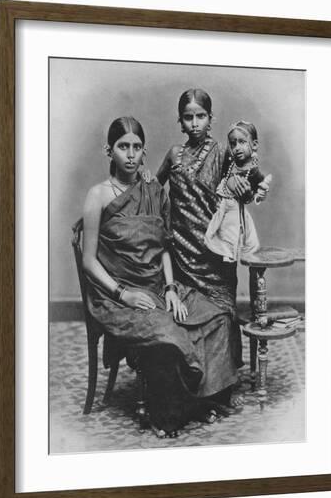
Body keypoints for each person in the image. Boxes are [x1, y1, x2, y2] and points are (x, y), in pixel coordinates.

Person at [82, 116, 241, 437]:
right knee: (168, 335)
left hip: (159, 285)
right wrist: (122, 294)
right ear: (108, 151)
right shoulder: (97, 196)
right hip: (119, 295)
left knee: (218, 317)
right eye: (122, 147)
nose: (130, 154)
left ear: (144, 152)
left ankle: (200, 400)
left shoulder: (153, 190)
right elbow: (88, 261)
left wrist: (170, 288)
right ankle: (172, 414)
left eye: (136, 147)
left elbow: (164, 246)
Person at [156, 89, 267, 408]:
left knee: (221, 316)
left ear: (210, 118)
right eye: (188, 117)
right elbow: (153, 188)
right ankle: (193, 388)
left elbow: (246, 185)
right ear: (180, 121)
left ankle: (220, 388)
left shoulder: (223, 153)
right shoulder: (174, 154)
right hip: (181, 257)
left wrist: (240, 186)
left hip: (214, 257)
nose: (194, 123)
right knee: (185, 319)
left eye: (200, 116)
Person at [204, 121, 272, 261]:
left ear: (254, 145)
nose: (237, 148)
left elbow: (255, 196)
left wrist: (260, 194)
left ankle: (229, 260)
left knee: (231, 238)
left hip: (235, 212)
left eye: (242, 142)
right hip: (222, 209)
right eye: (233, 144)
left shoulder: (253, 172)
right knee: (216, 235)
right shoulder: (230, 163)